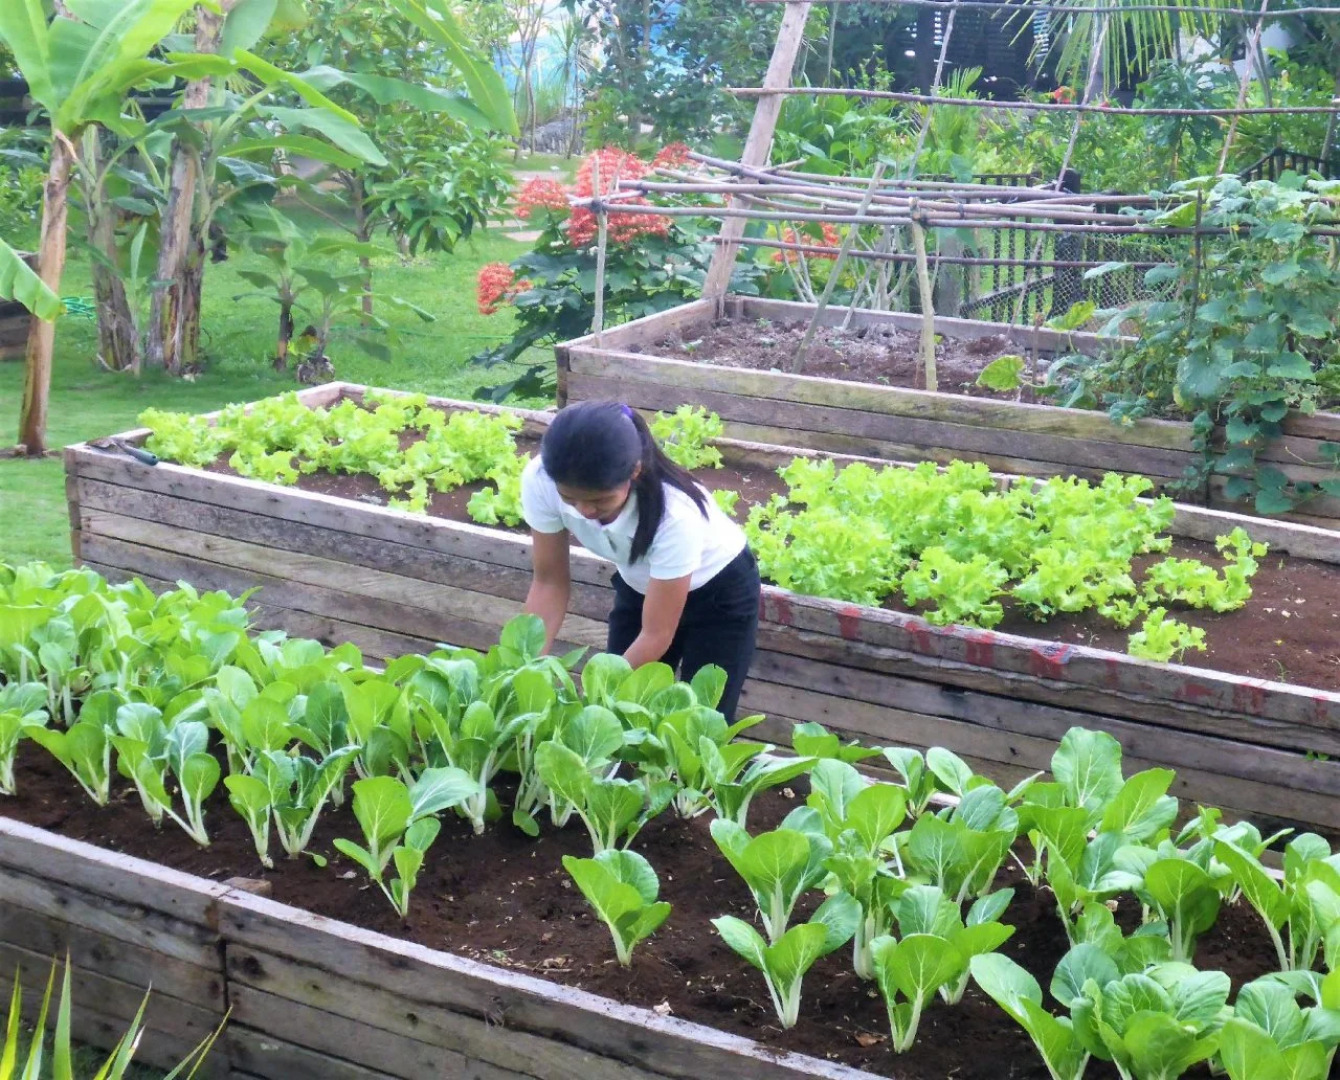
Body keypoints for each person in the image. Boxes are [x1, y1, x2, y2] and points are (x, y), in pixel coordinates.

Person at [520, 400, 760, 720]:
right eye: (569, 499)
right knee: (620, 722)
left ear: (635, 471)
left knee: (702, 722)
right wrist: (522, 673)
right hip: (642, 587)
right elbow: (548, 583)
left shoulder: (675, 516)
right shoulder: (541, 479)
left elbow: (656, 634)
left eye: (599, 500)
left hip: (719, 596)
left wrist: (594, 698)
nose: (584, 511)